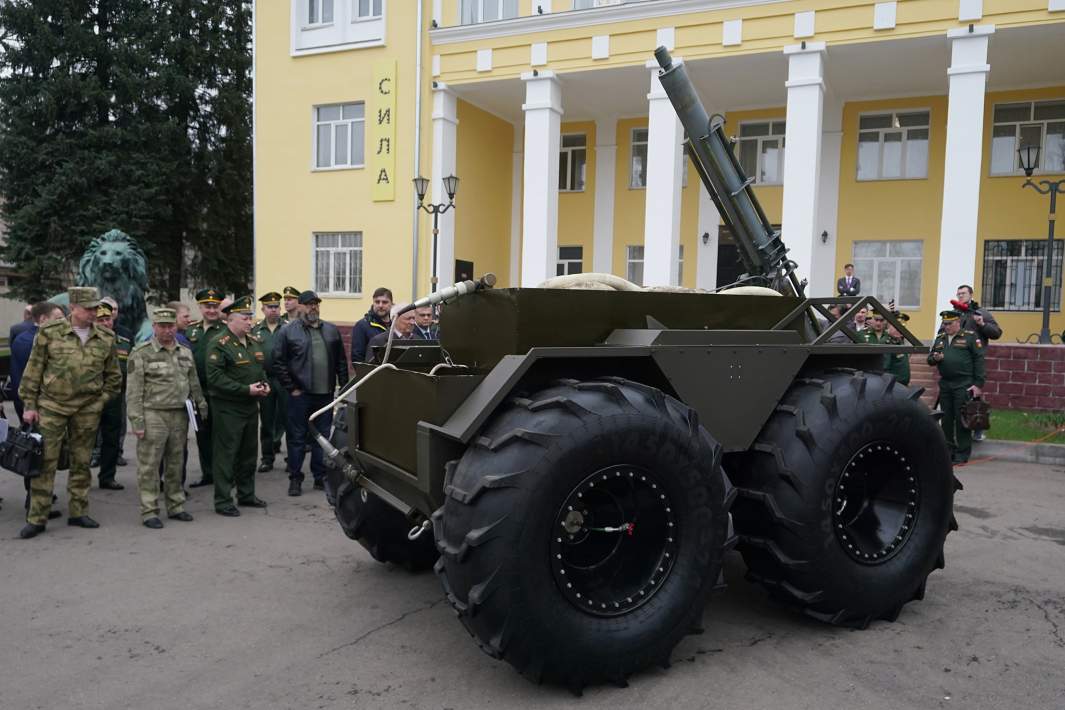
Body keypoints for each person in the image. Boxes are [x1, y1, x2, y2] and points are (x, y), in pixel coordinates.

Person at [17, 287, 122, 539]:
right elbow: (33, 371)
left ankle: (78, 512)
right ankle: (37, 517)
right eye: (88, 309)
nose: (93, 313)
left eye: (96, 308)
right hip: (52, 407)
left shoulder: (106, 337)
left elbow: (114, 378)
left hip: (87, 409)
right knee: (45, 463)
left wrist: (100, 402)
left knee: (82, 461)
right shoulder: (49, 333)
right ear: (73, 308)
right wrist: (30, 405)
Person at [126, 307, 208, 529]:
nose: (167, 330)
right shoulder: (141, 352)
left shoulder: (185, 352)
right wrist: (137, 422)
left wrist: (202, 407)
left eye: (171, 326)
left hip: (180, 414)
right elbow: (133, 391)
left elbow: (194, 383)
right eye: (162, 326)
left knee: (175, 462)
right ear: (154, 327)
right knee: (149, 465)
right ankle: (149, 510)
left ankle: (176, 506)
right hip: (153, 413)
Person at [272, 290, 349, 496]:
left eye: (316, 304)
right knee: (297, 438)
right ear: (300, 307)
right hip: (300, 395)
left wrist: (344, 388)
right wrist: (292, 388)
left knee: (322, 438)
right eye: (308, 304)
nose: (313, 307)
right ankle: (295, 478)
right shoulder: (288, 332)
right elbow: (278, 363)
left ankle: (319, 476)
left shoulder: (331, 330)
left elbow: (341, 362)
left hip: (325, 395)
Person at [206, 296, 270, 516]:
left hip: (250, 407)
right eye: (245, 318)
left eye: (250, 317)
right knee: (226, 455)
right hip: (228, 408)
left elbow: (259, 370)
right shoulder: (219, 343)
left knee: (248, 454)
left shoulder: (253, 342)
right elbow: (215, 377)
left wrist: (264, 385)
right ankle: (223, 500)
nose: (249, 321)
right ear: (231, 320)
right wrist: (245, 390)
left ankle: (246, 494)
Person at [10, 301, 66, 521]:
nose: (62, 322)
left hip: (35, 404)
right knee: (34, 453)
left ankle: (40, 498)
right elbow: (32, 378)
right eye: (58, 317)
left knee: (39, 452)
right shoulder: (29, 341)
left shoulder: (34, 337)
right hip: (34, 406)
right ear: (43, 319)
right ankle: (33, 501)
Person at [928, 309, 985, 465]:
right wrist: (935, 357)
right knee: (946, 419)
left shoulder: (970, 337)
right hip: (946, 383)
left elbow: (979, 360)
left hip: (964, 383)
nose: (946, 326)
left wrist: (978, 384)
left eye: (949, 323)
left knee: (962, 419)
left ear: (958, 322)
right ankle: (948, 451)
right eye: (944, 323)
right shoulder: (940, 339)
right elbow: (930, 359)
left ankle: (962, 453)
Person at [186, 288, 227, 488]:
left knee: (223, 436)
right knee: (202, 435)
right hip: (197, 392)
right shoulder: (190, 330)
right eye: (207, 306)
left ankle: (224, 475)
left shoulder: (226, 330)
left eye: (214, 306)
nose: (211, 310)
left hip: (220, 392)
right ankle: (208, 474)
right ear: (200, 307)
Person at [93, 300, 133, 490]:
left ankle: (107, 477)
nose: (106, 323)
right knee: (85, 439)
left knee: (112, 437)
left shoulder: (124, 338)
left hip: (115, 397)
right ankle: (81, 477)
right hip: (90, 398)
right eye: (101, 320)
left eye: (108, 319)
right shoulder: (85, 341)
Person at [252, 292, 287, 472]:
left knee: (288, 419)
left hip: (284, 380)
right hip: (264, 379)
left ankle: (292, 459)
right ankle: (267, 458)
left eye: (276, 307)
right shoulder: (255, 331)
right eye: (269, 307)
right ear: (263, 309)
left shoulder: (288, 328)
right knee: (266, 420)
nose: (273, 310)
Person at [351, 287, 393, 364]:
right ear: (373, 303)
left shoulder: (395, 325)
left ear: (391, 304)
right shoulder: (362, 325)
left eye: (384, 302)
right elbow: (357, 358)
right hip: (372, 374)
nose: (380, 305)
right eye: (377, 302)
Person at [884, 313, 911, 386]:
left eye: (903, 328)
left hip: (902, 385)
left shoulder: (899, 342)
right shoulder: (887, 343)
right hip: (893, 386)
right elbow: (885, 369)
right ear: (890, 326)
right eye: (897, 328)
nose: (900, 331)